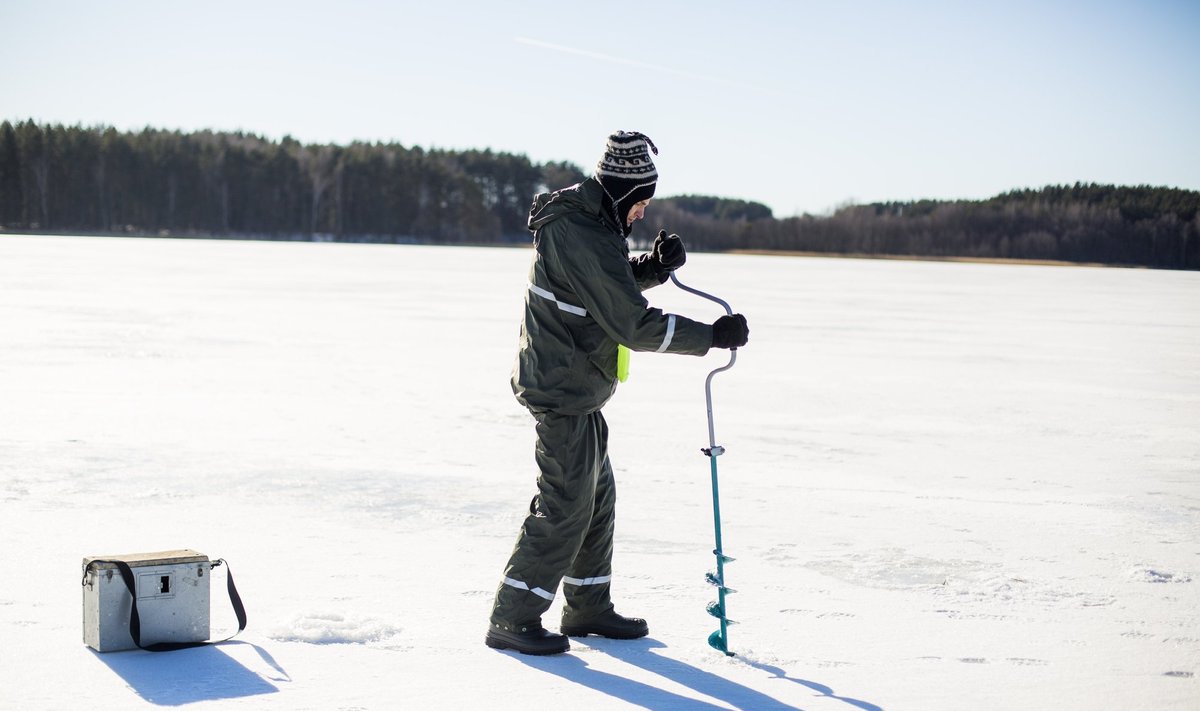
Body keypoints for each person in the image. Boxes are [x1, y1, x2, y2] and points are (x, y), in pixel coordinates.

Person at [485, 131, 750, 655]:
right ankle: (512, 618)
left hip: (578, 387)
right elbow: (630, 322)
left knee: (596, 497)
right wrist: (711, 336)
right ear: (624, 193)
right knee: (567, 504)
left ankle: (587, 608)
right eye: (641, 203)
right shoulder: (581, 231)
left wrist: (653, 268)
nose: (641, 214)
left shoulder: (593, 223)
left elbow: (605, 285)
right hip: (560, 388)